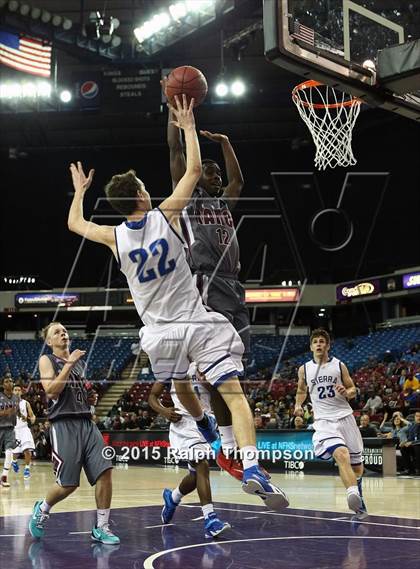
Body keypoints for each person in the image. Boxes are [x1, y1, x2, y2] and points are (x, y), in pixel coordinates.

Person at [67, 95, 288, 510]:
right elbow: (192, 170)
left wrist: (80, 192)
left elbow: (74, 223)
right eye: (146, 189)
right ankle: (253, 467)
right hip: (196, 321)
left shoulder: (114, 237)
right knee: (235, 394)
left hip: (158, 334)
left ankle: (204, 425)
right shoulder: (165, 214)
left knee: (182, 386)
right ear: (140, 197)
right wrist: (187, 125)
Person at [164, 81, 248, 479]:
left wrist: (226, 143)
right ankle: (227, 444)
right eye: (209, 171)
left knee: (233, 364)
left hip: (234, 284)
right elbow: (176, 153)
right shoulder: (190, 200)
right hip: (204, 282)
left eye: (215, 173)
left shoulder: (223, 201)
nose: (214, 176)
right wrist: (177, 118)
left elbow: (239, 183)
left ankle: (227, 441)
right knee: (216, 368)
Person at [29, 322, 119, 544]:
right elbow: (51, 391)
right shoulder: (47, 360)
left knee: (105, 470)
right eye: (57, 332)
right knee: (68, 484)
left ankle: (102, 527)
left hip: (87, 423)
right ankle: (43, 508)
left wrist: (90, 398)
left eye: (64, 331)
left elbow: (77, 392)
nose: (63, 334)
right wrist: (69, 363)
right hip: (63, 425)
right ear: (49, 341)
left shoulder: (80, 365)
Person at [148, 370, 231, 538]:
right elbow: (152, 396)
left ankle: (172, 498)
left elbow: (220, 395)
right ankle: (210, 519)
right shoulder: (173, 365)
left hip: (206, 422)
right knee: (202, 465)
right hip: (184, 423)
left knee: (195, 475)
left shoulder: (208, 362)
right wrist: (164, 411)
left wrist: (209, 384)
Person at [294, 329, 367, 517]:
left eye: (322, 341)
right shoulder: (304, 369)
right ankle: (351, 493)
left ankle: (358, 496)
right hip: (324, 420)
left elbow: (353, 389)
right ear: (311, 347)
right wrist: (298, 405)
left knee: (358, 467)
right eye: (315, 342)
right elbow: (301, 390)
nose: (319, 344)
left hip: (345, 417)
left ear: (327, 345)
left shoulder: (339, 365)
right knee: (341, 455)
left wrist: (347, 392)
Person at [11, 385, 36, 479]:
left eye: (19, 390)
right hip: (14, 430)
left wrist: (32, 419)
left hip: (24, 429)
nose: (17, 391)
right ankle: (14, 461)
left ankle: (27, 469)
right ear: (13, 391)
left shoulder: (26, 403)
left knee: (27, 450)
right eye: (15, 390)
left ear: (21, 392)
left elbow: (32, 416)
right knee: (15, 453)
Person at [0, 376, 19, 487]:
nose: (10, 383)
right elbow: (8, 411)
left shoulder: (16, 398)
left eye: (11, 381)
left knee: (9, 452)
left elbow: (17, 411)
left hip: (10, 428)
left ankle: (4, 477)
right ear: (3, 385)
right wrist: (6, 412)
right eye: (7, 381)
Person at [400, 410, 420, 475]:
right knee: (403, 448)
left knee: (417, 448)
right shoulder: (412, 426)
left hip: (417, 445)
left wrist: (412, 443)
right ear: (414, 417)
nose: (418, 418)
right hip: (414, 444)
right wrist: (405, 442)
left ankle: (418, 470)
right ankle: (409, 469)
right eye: (417, 416)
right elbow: (410, 438)